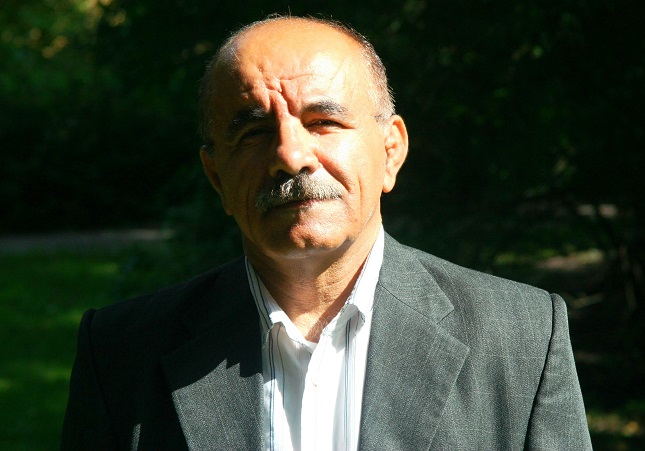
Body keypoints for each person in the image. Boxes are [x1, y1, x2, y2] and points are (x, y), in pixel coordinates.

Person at [61, 15, 592, 450]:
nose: (290, 155)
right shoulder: (120, 354)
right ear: (216, 177)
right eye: (254, 132)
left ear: (391, 152)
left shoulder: (520, 339)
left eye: (323, 122)